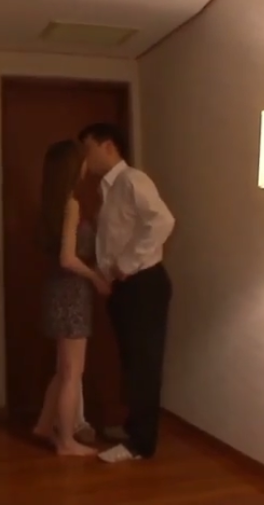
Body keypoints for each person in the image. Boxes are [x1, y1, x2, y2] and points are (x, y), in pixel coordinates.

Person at [78, 123, 175, 463]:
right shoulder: (108, 189)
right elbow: (114, 238)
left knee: (144, 364)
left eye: (88, 148)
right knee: (132, 362)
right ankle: (135, 429)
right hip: (125, 286)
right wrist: (106, 274)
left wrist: (126, 264)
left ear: (108, 146)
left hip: (144, 284)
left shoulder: (132, 179)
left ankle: (141, 445)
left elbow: (162, 221)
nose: (85, 157)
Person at [31, 139, 111, 456]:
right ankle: (65, 440)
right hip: (71, 293)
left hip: (57, 291)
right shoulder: (71, 204)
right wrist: (96, 278)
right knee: (72, 372)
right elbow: (67, 258)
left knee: (63, 369)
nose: (86, 164)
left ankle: (44, 425)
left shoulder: (52, 204)